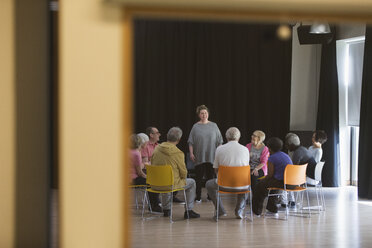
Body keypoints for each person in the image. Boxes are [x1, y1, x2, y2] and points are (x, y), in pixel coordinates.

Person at [151, 127, 200, 219]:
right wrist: (181, 178)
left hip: (155, 184)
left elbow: (152, 164)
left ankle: (166, 210)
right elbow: (183, 172)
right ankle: (189, 211)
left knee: (167, 179)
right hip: (170, 184)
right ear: (179, 140)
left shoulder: (156, 148)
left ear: (166, 136)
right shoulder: (178, 153)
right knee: (192, 182)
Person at [206, 127, 250, 219]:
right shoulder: (245, 149)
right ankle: (239, 211)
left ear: (226, 137)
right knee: (247, 187)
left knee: (209, 184)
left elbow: (216, 169)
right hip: (241, 185)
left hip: (223, 185)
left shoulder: (220, 149)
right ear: (239, 137)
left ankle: (221, 210)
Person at [188, 105, 223, 202]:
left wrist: (218, 153)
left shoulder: (214, 125)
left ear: (208, 114)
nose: (204, 115)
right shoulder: (195, 126)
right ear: (199, 115)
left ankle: (210, 196)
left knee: (210, 178)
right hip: (199, 156)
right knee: (198, 178)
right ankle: (198, 197)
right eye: (202, 113)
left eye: (206, 113)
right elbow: (191, 141)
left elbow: (220, 141)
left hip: (212, 156)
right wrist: (191, 153)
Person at [252, 137, 293, 215]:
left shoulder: (272, 158)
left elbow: (270, 175)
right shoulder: (285, 155)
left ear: (269, 149)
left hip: (284, 183)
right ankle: (272, 209)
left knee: (259, 186)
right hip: (293, 183)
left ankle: (256, 212)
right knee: (272, 185)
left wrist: (262, 180)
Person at [129, 134, 162, 213]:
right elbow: (140, 172)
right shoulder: (136, 153)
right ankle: (154, 205)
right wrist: (147, 177)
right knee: (153, 181)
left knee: (151, 180)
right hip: (133, 179)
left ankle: (155, 204)